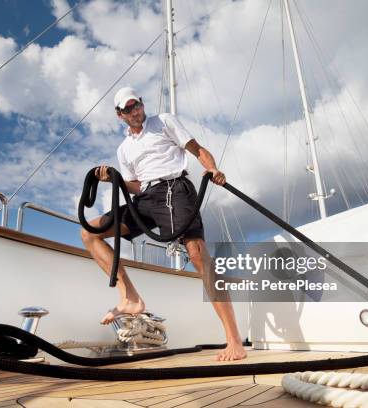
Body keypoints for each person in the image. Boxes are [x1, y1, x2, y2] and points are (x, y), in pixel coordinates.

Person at [80, 87, 247, 361]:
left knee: (197, 255)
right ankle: (131, 298)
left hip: (176, 189)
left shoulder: (164, 122)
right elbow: (135, 185)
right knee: (89, 233)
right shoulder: (124, 148)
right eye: (128, 108)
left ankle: (233, 340)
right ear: (119, 114)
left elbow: (197, 150)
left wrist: (213, 168)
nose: (135, 111)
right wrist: (114, 179)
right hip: (146, 198)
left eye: (137, 105)